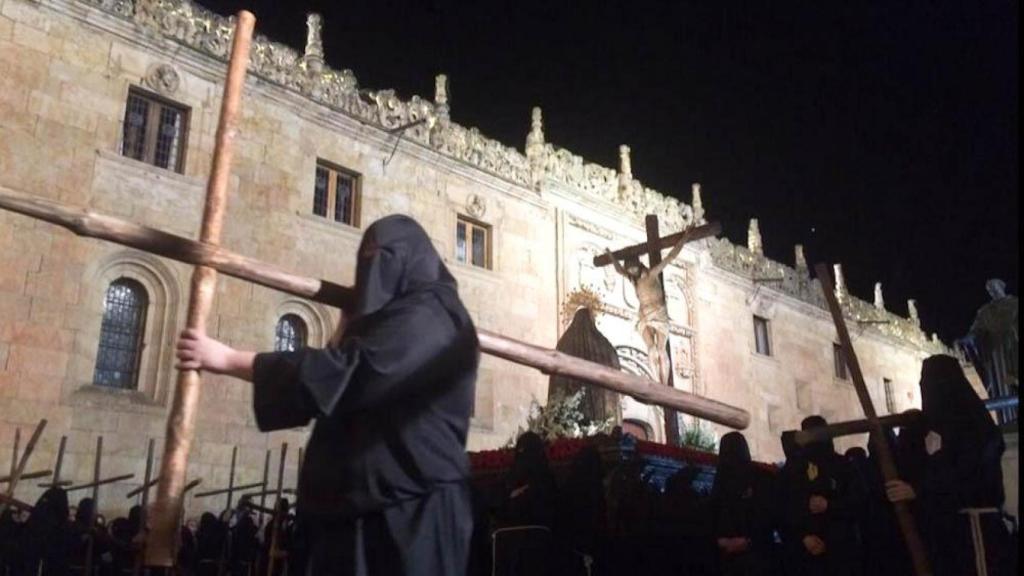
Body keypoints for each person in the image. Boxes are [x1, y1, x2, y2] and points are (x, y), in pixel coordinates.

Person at [177, 215, 479, 576]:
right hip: (360, 511)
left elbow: (350, 373)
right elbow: (342, 383)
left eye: (382, 258)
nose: (373, 271)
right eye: (366, 259)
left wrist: (227, 359)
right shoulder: (396, 319)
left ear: (411, 259)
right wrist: (348, 326)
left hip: (412, 518)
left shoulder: (433, 315)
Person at [885, 355, 1012, 576]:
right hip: (947, 534)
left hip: (977, 530)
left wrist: (919, 490)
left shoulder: (977, 427)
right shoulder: (933, 428)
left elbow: (968, 473)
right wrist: (911, 431)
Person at [780, 416, 860, 576]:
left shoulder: (843, 466)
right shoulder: (793, 469)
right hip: (804, 554)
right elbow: (783, 507)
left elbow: (858, 502)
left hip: (840, 550)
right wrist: (802, 536)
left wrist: (829, 505)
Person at [711, 432, 775, 576]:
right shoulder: (763, 478)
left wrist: (725, 542)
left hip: (738, 560)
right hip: (757, 558)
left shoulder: (720, 480)